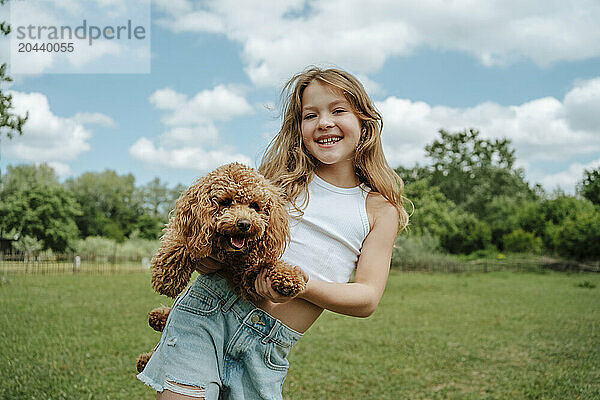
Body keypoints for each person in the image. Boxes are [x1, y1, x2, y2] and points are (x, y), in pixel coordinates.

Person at [137, 66, 409, 400]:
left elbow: (366, 298)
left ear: (364, 122)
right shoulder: (278, 182)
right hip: (210, 310)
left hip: (267, 348)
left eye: (338, 110)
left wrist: (302, 283)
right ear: (299, 129)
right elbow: (219, 238)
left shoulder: (381, 209)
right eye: (311, 115)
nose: (324, 122)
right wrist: (204, 259)